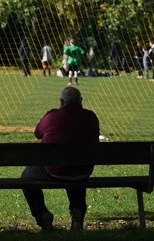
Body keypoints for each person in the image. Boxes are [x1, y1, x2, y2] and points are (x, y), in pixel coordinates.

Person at [22, 85, 101, 231]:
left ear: (61, 102)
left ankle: (42, 215)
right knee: (76, 170)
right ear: (81, 101)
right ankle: (77, 210)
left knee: (26, 178)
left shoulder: (52, 117)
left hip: (54, 170)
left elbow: (37, 133)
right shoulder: (91, 117)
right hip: (82, 171)